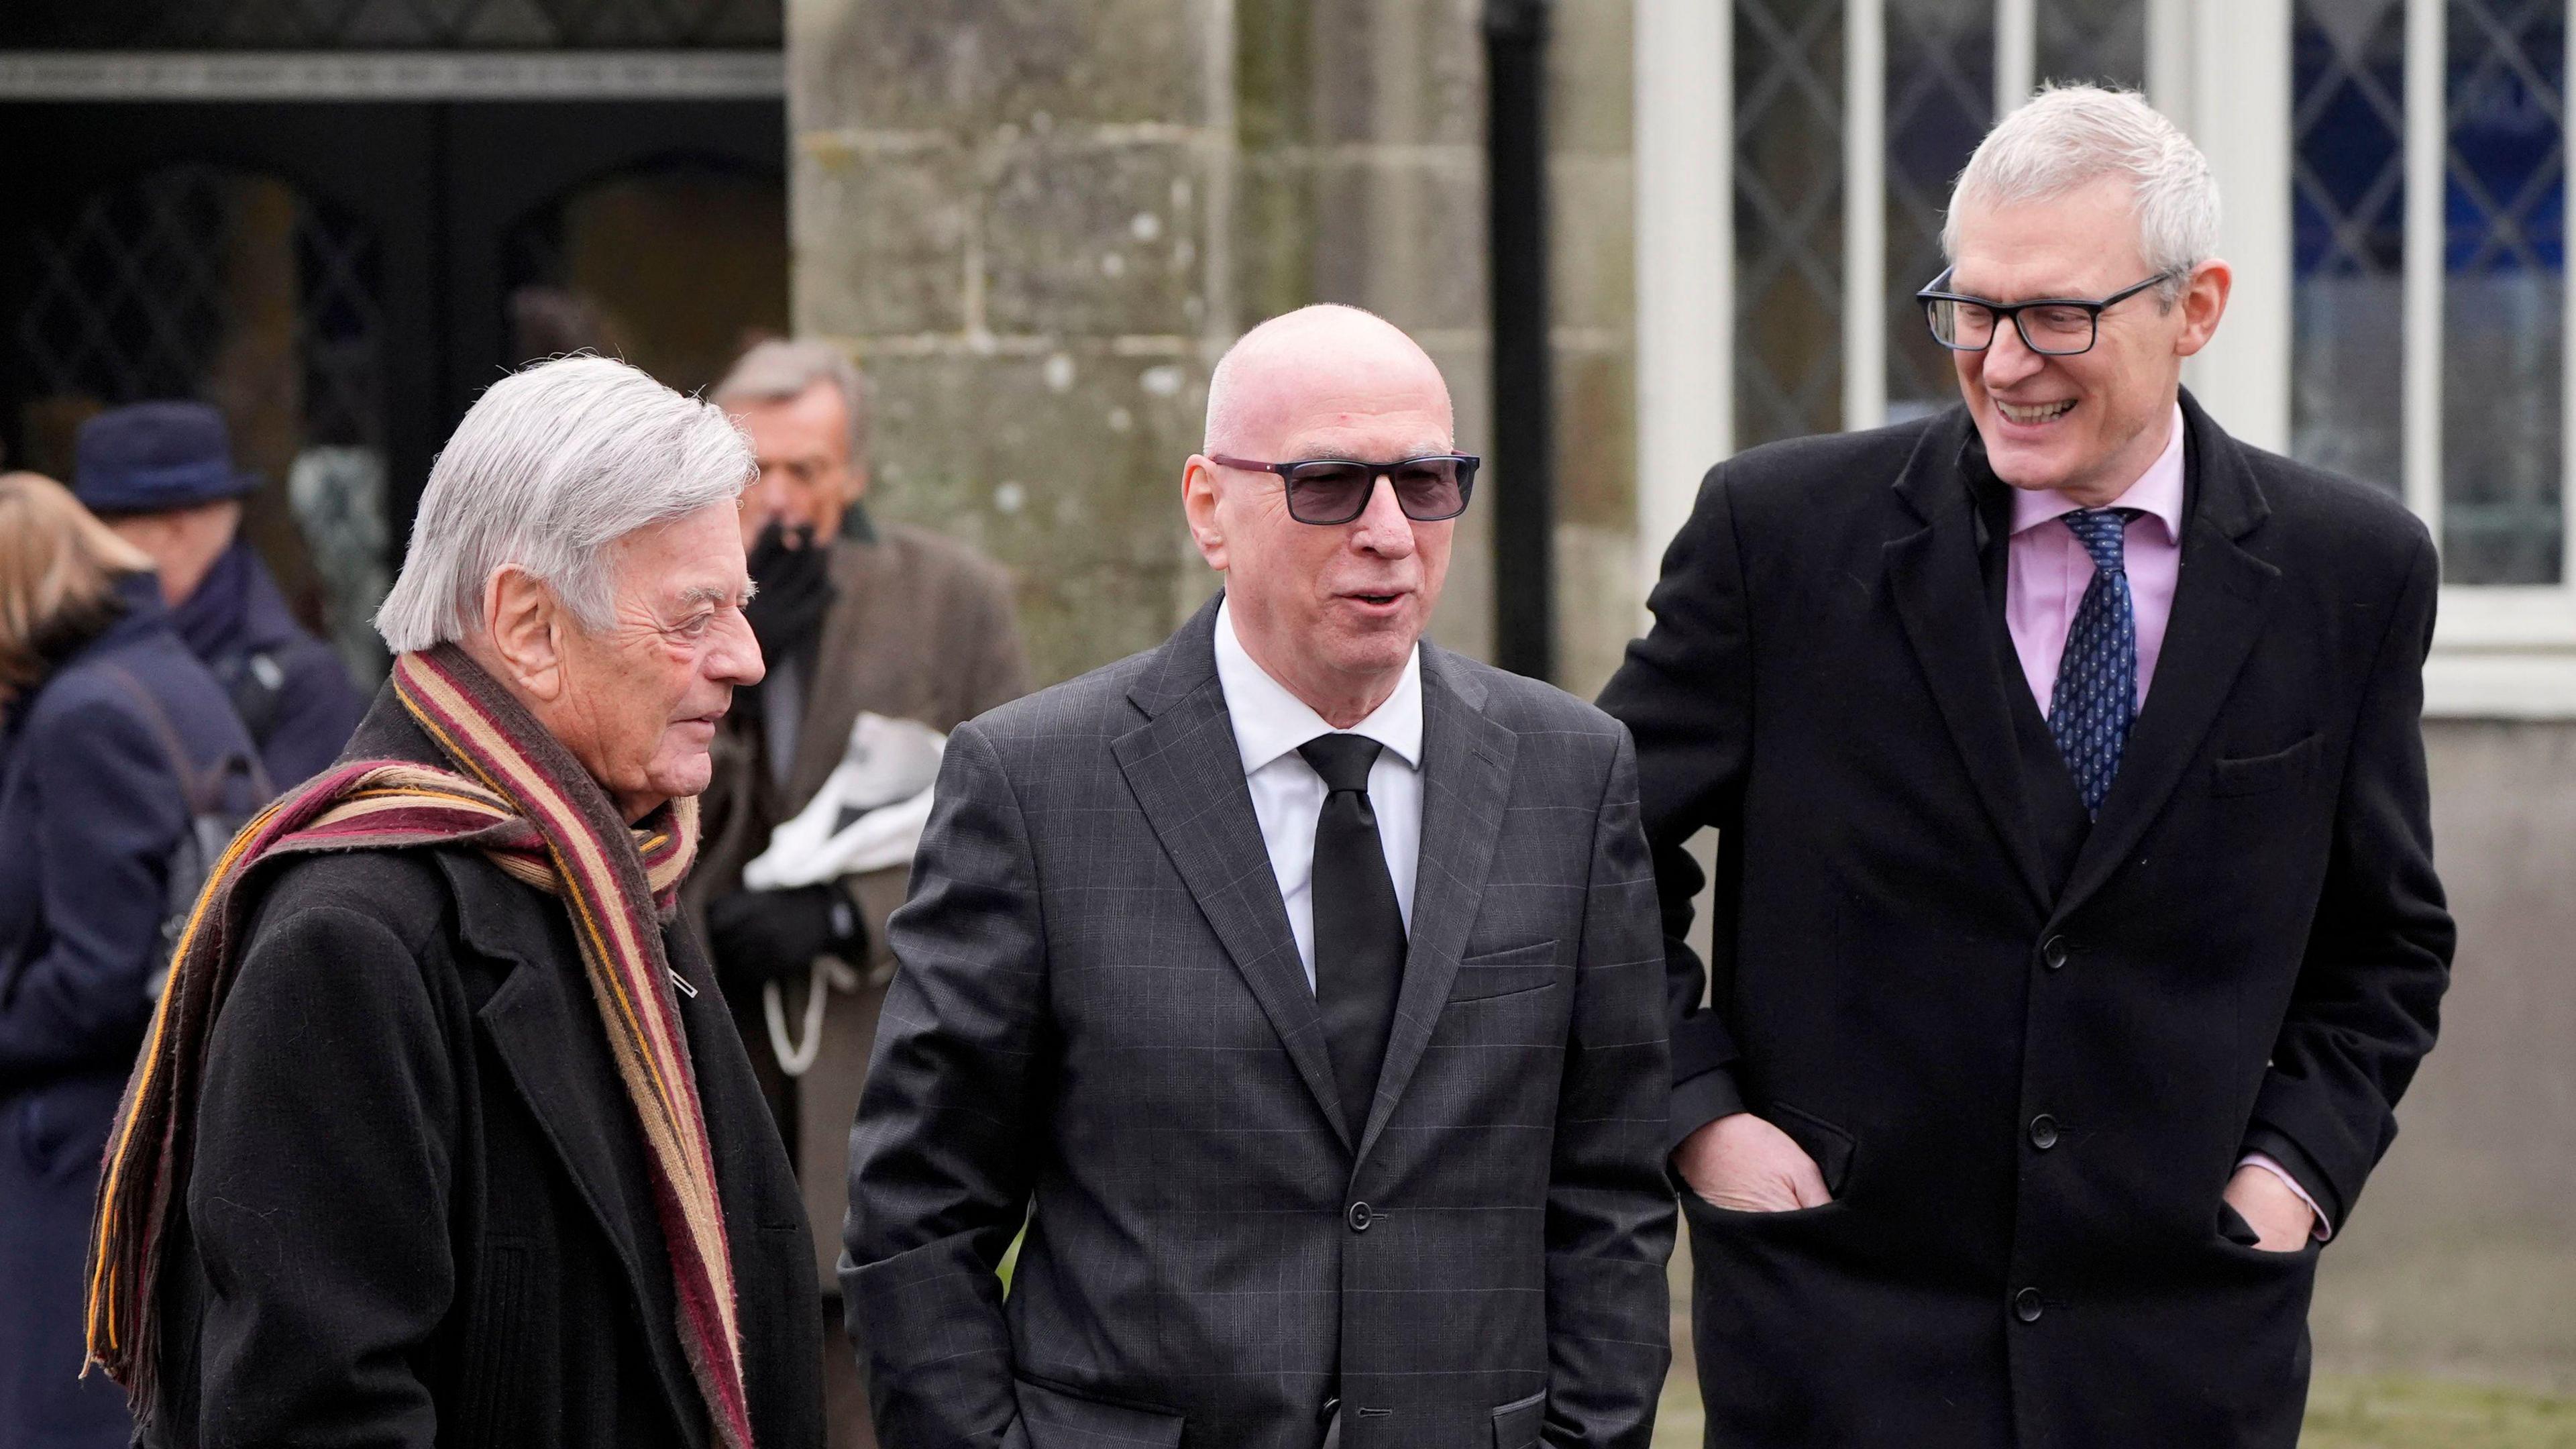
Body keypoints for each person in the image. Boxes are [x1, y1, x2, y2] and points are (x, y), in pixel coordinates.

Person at [1598, 86, 2455, 1448]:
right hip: (1835, 1340)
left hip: (2184, 1356)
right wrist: (1700, 1116)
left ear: (2200, 307)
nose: (2003, 363)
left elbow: (2387, 943)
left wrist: (2292, 1173)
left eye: (2058, 315)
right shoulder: (1777, 536)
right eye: (1972, 310)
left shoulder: (2351, 571)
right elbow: (1595, 851)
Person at [845, 305, 1674, 1449]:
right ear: (1208, 508)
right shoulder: (1035, 785)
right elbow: (919, 1212)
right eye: (1330, 483)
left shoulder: (1571, 771)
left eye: (1427, 482)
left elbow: (1610, 1190)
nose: (1389, 530)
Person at [83, 358, 824, 1449]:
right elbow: (317, 1416)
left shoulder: (614, 866)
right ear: (526, 623)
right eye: (695, 614)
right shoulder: (350, 941)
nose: (746, 658)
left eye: (740, 607)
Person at [684, 339, 1030, 1444]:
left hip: (865, 1062)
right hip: (716, 1046)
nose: (778, 502)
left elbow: (1014, 830)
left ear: (857, 476)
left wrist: (851, 913)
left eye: (807, 474)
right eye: (753, 473)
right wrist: (739, 688)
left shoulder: (953, 600)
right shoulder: (670, 605)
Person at [0, 473, 262, 1449]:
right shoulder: (168, 671)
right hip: (153, 1131)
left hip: (79, 1153)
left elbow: (97, 978)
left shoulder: (81, 716)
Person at [74, 401, 366, 790]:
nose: (79, 553)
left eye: (97, 531)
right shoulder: (59, 654)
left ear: (174, 533)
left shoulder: (299, 684)